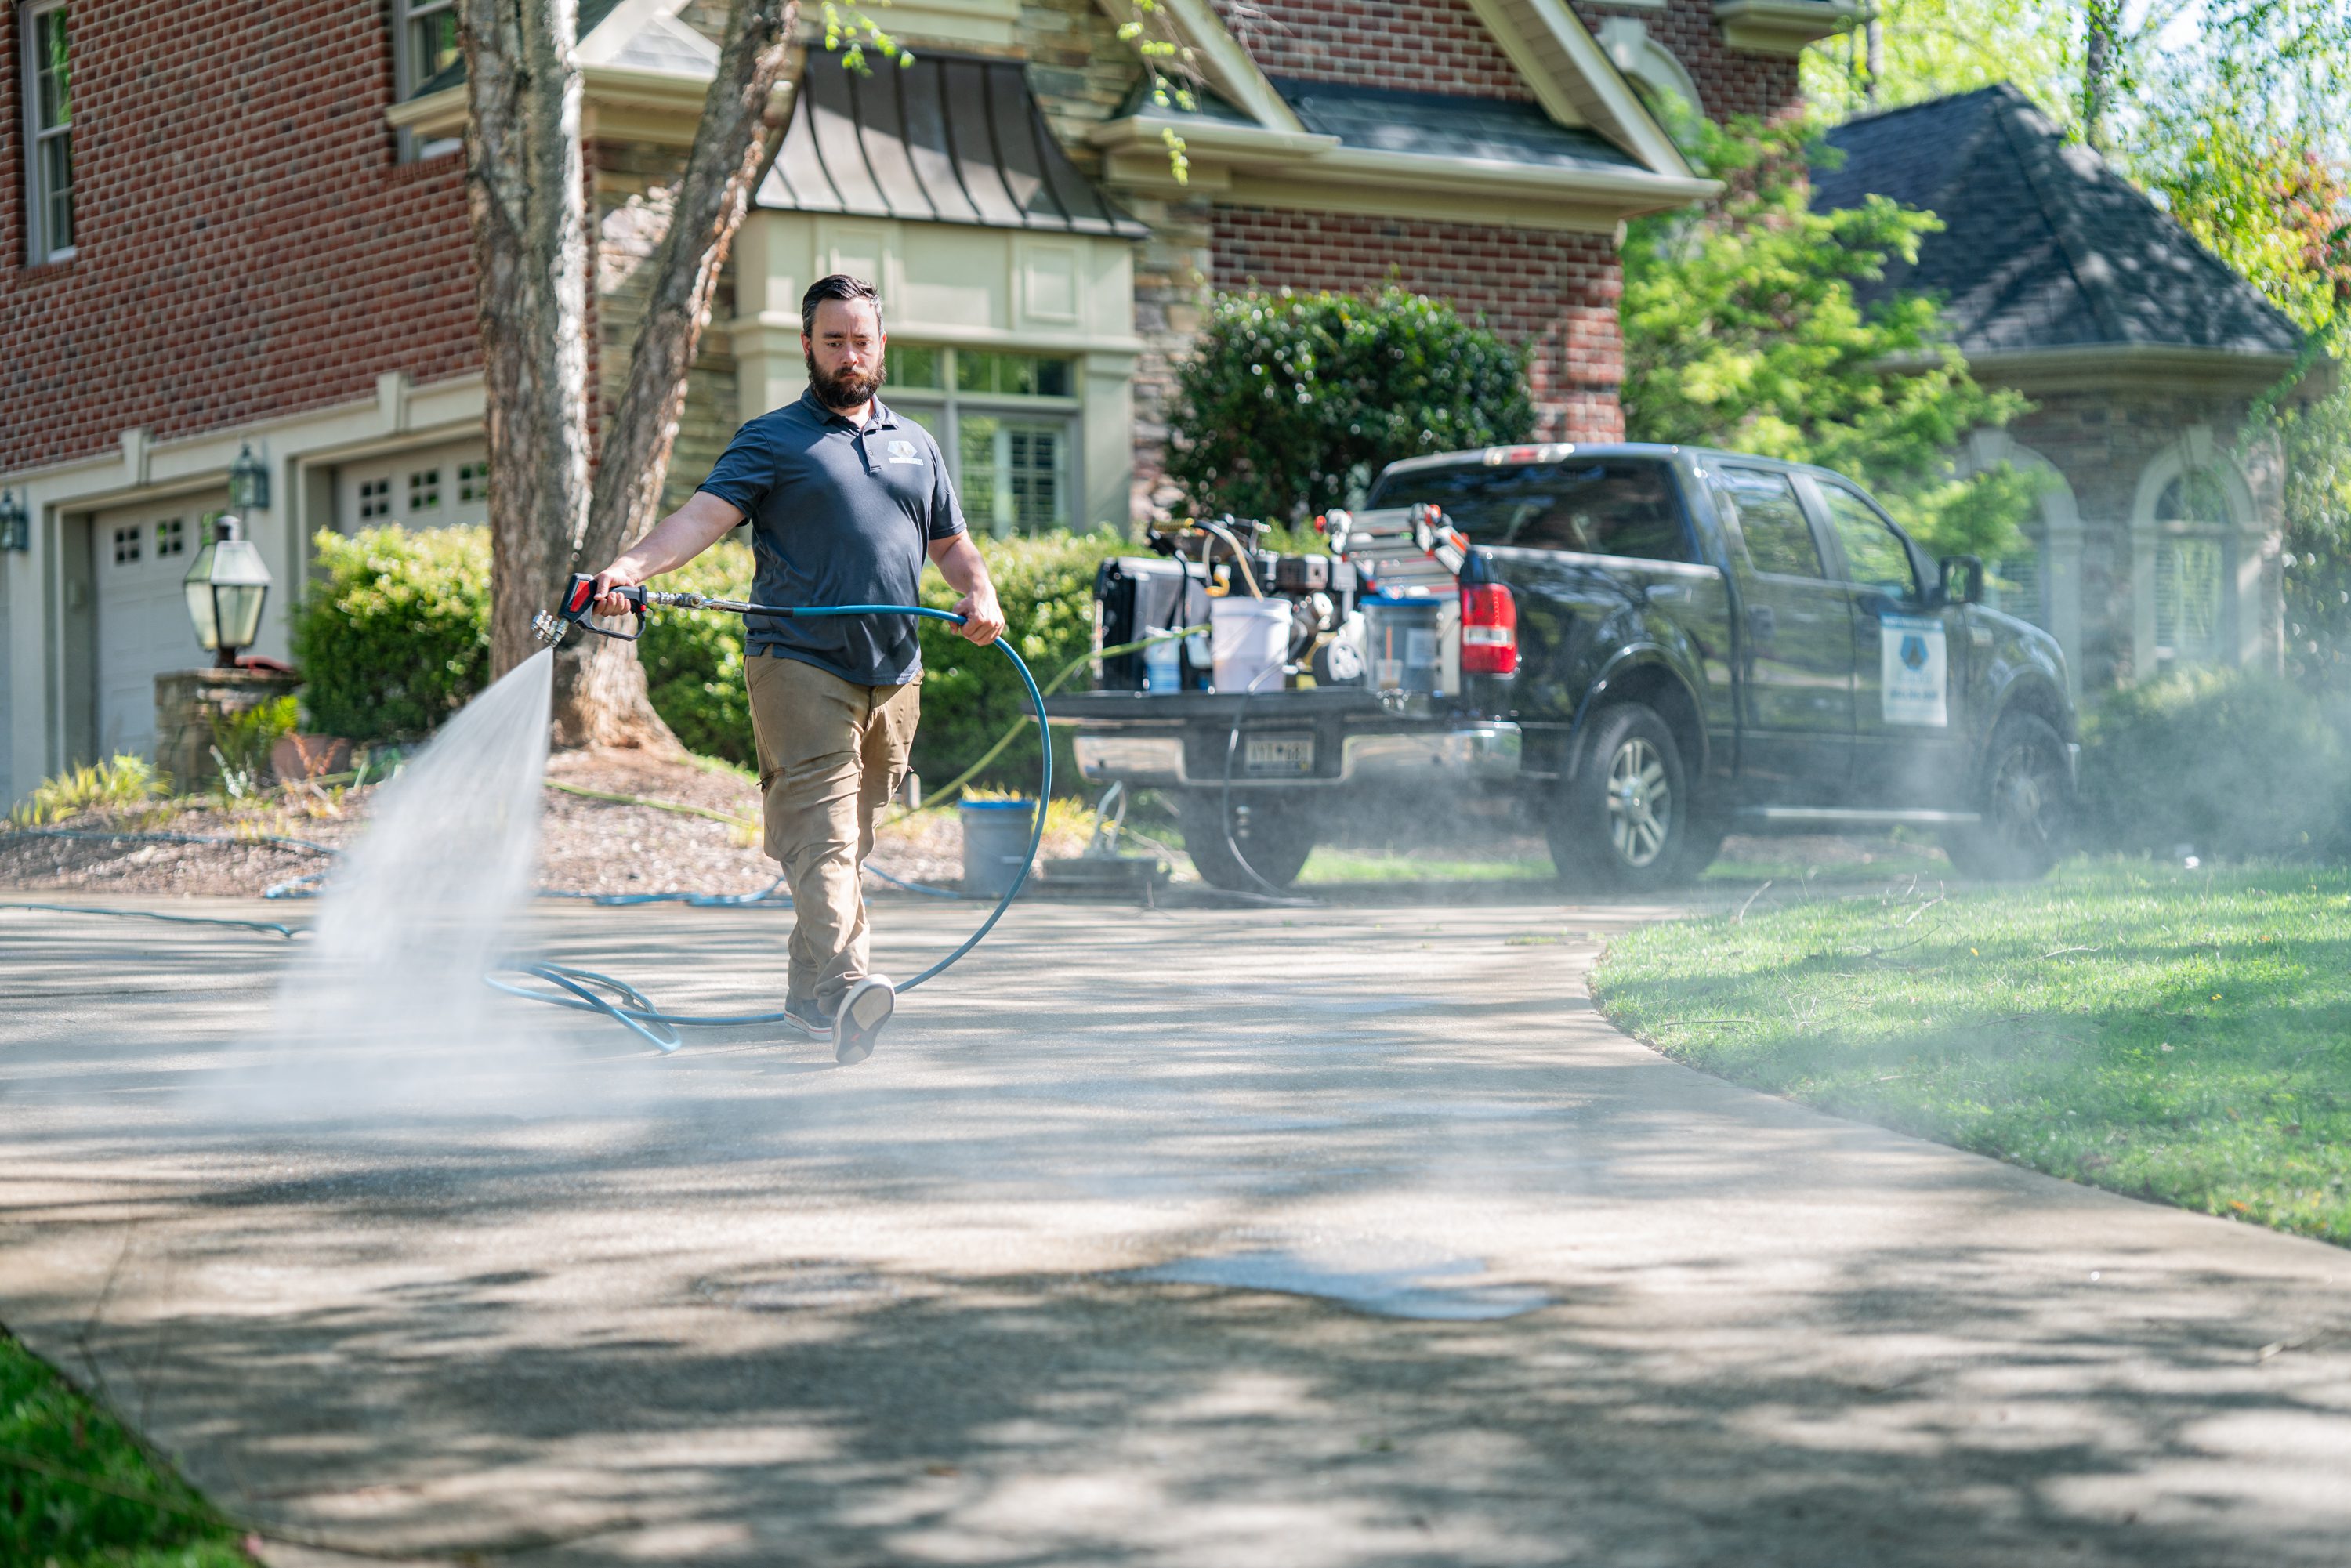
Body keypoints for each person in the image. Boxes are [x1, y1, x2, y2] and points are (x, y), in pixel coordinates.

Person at [589, 273, 1005, 1065]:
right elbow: (701, 518)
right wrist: (628, 570)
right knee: (823, 835)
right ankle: (850, 988)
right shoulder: (772, 439)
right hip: (797, 663)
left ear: (882, 344)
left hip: (896, 670)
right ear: (807, 346)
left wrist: (979, 591)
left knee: (853, 840)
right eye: (836, 340)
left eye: (864, 339)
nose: (852, 354)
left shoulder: (916, 444)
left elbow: (951, 544)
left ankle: (805, 1000)